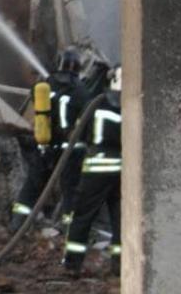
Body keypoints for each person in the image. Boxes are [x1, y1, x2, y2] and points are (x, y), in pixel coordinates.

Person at [10, 46, 89, 230]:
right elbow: (86, 116)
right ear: (77, 67)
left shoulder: (45, 85)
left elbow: (35, 99)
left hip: (44, 145)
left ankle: (18, 223)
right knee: (71, 189)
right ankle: (68, 227)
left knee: (33, 185)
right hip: (70, 149)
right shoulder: (81, 90)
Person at [62, 64, 122, 275]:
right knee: (120, 219)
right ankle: (119, 265)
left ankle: (72, 265)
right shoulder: (134, 106)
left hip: (95, 171)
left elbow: (78, 137)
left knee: (82, 217)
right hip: (123, 172)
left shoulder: (95, 104)